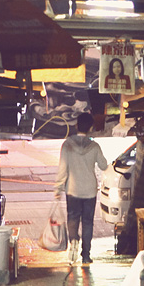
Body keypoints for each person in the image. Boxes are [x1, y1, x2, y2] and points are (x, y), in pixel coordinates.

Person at [54, 112, 109, 265]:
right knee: (87, 222)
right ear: (90, 127)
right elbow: (104, 165)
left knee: (72, 218)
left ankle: (73, 241)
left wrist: (58, 188)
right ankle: (86, 255)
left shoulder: (67, 145)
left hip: (73, 189)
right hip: (90, 191)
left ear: (77, 125)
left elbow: (62, 168)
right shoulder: (94, 146)